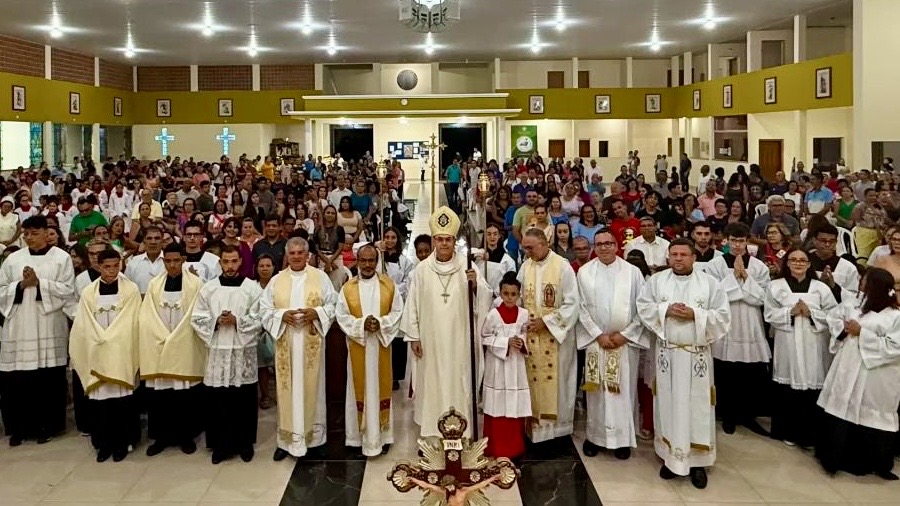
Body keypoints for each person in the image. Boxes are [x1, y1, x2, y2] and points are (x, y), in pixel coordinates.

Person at [636, 239, 731, 489]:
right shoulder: (656, 281)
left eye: (683, 254)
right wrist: (665, 310)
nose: (678, 258)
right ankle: (670, 458)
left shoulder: (709, 283)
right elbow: (644, 307)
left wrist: (696, 315)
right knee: (668, 404)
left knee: (697, 407)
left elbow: (723, 316)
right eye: (674, 254)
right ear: (668, 257)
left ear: (693, 258)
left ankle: (697, 462)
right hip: (667, 356)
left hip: (696, 356)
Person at [400, 206, 492, 439]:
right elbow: (412, 305)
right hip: (430, 344)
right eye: (439, 239)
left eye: (448, 239)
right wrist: (414, 337)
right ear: (433, 241)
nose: (443, 244)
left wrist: (476, 287)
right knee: (432, 384)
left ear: (454, 241)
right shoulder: (421, 270)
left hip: (459, 341)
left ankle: (462, 433)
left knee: (460, 383)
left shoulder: (467, 267)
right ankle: (433, 434)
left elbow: (485, 297)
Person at [817, 267, 900, 480]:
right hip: (848, 365)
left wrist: (862, 333)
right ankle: (833, 457)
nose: (861, 282)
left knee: (868, 411)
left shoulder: (894, 316)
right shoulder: (856, 305)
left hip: (875, 373)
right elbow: (835, 319)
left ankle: (870, 461)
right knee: (842, 407)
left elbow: (895, 346)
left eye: (865, 280)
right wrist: (844, 329)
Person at [259, 237, 338, 461]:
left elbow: (334, 304)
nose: (296, 256)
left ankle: (316, 440)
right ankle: (286, 441)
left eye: (300, 253)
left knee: (314, 389)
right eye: (292, 253)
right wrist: (280, 315)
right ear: (287, 255)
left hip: (311, 342)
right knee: (287, 389)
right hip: (286, 342)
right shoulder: (276, 280)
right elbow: (264, 309)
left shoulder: (320, 277)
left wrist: (318, 313)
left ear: (307, 255)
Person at [0, 215, 74, 446]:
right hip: (20, 328)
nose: (29, 238)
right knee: (18, 380)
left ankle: (47, 426)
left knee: (47, 380)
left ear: (45, 232)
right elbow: (1, 289)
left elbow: (67, 290)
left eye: (34, 233)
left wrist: (40, 283)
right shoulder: (13, 260)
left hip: (47, 324)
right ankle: (19, 429)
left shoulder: (61, 258)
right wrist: (21, 285)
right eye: (26, 234)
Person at [577, 231, 647, 460]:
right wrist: (598, 335)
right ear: (594, 247)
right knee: (597, 392)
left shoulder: (632, 272)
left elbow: (642, 309)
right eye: (599, 244)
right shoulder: (585, 272)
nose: (604, 248)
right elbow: (581, 309)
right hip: (597, 343)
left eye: (608, 243)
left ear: (617, 245)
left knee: (623, 391)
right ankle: (595, 437)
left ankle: (622, 440)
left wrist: (625, 335)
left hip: (624, 344)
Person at [191, 245, 264, 464]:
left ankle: (244, 444)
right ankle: (219, 446)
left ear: (241, 262)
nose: (230, 266)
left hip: (242, 354)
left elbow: (260, 317)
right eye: (226, 262)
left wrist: (237, 321)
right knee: (218, 401)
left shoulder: (252, 288)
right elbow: (197, 317)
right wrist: (215, 321)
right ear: (220, 262)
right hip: (218, 353)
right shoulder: (209, 288)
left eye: (234, 261)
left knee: (243, 400)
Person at [70, 249, 141, 462]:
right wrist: (100, 338)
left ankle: (122, 442)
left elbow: (133, 319)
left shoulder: (130, 289)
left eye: (115, 266)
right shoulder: (89, 292)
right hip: (97, 351)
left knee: (122, 401)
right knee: (100, 403)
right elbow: (84, 323)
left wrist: (112, 337)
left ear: (121, 265)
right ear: (98, 266)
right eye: (107, 267)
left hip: (120, 351)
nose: (111, 271)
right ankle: (103, 444)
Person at [764, 248, 839, 448]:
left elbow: (833, 315)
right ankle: (788, 431)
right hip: (787, 341)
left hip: (814, 342)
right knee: (788, 387)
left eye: (802, 260)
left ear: (808, 264)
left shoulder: (820, 288)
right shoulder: (775, 286)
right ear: (787, 263)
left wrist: (811, 314)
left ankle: (810, 436)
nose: (798, 263)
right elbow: (769, 314)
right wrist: (791, 312)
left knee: (812, 384)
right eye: (793, 260)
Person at [335, 244, 404, 457]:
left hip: (380, 346)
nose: (367, 264)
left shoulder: (388, 285)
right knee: (358, 390)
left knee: (379, 388)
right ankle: (356, 438)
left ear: (377, 261)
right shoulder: (348, 288)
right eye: (363, 260)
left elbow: (397, 312)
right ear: (357, 260)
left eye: (371, 260)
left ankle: (383, 437)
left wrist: (381, 324)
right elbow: (342, 316)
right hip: (359, 345)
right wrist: (362, 325)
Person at [703, 223, 771, 436]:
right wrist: (736, 278)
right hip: (727, 321)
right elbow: (713, 295)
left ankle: (747, 415)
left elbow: (762, 298)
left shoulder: (759, 266)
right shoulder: (715, 264)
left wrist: (745, 278)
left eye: (741, 241)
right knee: (727, 368)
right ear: (726, 241)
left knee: (750, 370)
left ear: (747, 241)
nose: (738, 245)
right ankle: (728, 415)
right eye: (733, 240)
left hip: (751, 321)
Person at [139, 243, 205, 457]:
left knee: (184, 394)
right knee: (161, 394)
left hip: (183, 343)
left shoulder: (195, 284)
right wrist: (162, 336)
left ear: (183, 259)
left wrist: (177, 336)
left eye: (176, 260)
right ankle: (161, 437)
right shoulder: (154, 285)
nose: (172, 265)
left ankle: (186, 436)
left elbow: (197, 314)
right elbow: (147, 314)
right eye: (168, 261)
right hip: (160, 343)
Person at [517, 228, 579, 443]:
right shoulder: (526, 266)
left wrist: (547, 322)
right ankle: (534, 430)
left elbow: (573, 303)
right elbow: (519, 298)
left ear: (544, 244)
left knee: (558, 383)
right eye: (525, 247)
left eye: (530, 247)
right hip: (532, 336)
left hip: (556, 339)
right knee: (533, 383)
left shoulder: (562, 266)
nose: (527, 252)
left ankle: (557, 433)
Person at [481, 271, 531, 459]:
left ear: (519, 295)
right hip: (497, 366)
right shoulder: (493, 315)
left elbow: (527, 336)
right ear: (500, 293)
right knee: (497, 404)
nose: (510, 298)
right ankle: (495, 446)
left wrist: (521, 341)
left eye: (513, 294)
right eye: (506, 293)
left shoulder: (524, 314)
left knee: (515, 405)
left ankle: (514, 446)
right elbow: (485, 337)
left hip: (516, 365)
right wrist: (505, 343)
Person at [809, 224, 860, 302]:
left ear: (836, 242)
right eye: (823, 241)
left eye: (832, 241)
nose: (827, 244)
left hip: (837, 310)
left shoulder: (848, 267)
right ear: (814, 240)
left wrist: (834, 286)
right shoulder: (804, 262)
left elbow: (853, 297)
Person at [124, 225, 165, 295]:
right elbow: (126, 289)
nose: (153, 242)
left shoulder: (170, 261)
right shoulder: (134, 262)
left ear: (162, 241)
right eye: (149, 238)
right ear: (144, 241)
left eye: (157, 238)